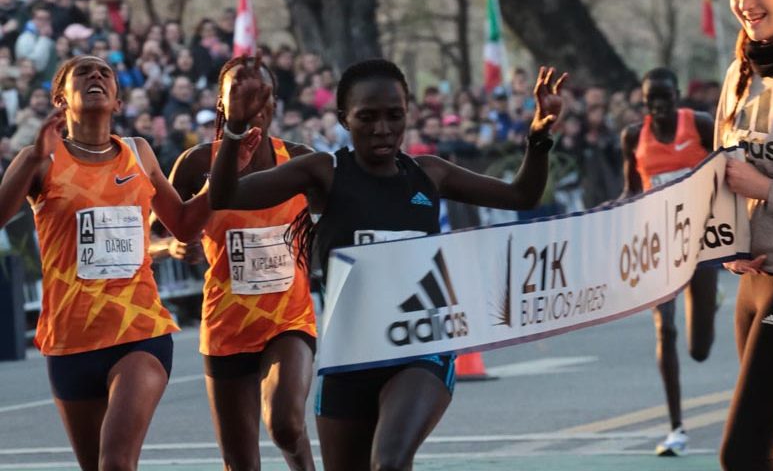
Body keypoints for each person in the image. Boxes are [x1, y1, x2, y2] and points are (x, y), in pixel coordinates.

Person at [209, 58, 565, 471]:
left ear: (408, 114)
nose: (382, 129)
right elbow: (225, 195)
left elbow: (522, 195)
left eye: (394, 116)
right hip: (351, 357)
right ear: (344, 118)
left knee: (391, 462)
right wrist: (234, 128)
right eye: (367, 117)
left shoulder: (428, 174)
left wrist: (538, 134)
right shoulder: (324, 172)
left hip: (420, 351)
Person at [0, 55, 209, 470]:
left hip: (139, 330)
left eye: (106, 73)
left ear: (117, 101)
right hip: (70, 339)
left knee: (116, 463)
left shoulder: (139, 153)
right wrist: (28, 158)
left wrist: (220, 180)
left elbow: (184, 224)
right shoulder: (42, 159)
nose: (96, 75)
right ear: (61, 99)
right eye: (84, 72)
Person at [166, 55, 316, 470]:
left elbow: (343, 218)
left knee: (286, 422)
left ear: (274, 103)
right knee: (240, 463)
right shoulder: (198, 163)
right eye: (238, 92)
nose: (251, 102)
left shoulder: (303, 160)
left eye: (260, 93)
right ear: (221, 104)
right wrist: (174, 248)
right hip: (226, 325)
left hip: (289, 319)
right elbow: (155, 232)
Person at [716, 0, 773, 469]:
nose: (744, 1)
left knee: (744, 455)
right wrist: (727, 241)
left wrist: (766, 189)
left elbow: (751, 180)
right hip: (753, 282)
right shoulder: (739, 73)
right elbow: (721, 175)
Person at [619, 67, 719, 456]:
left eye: (665, 98)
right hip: (658, 245)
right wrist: (612, 214)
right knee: (666, 331)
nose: (659, 107)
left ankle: (710, 303)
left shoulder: (701, 124)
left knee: (699, 348)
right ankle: (676, 428)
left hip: (703, 243)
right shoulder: (633, 137)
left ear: (677, 96)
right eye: (651, 101)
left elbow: (727, 166)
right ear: (644, 102)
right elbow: (630, 189)